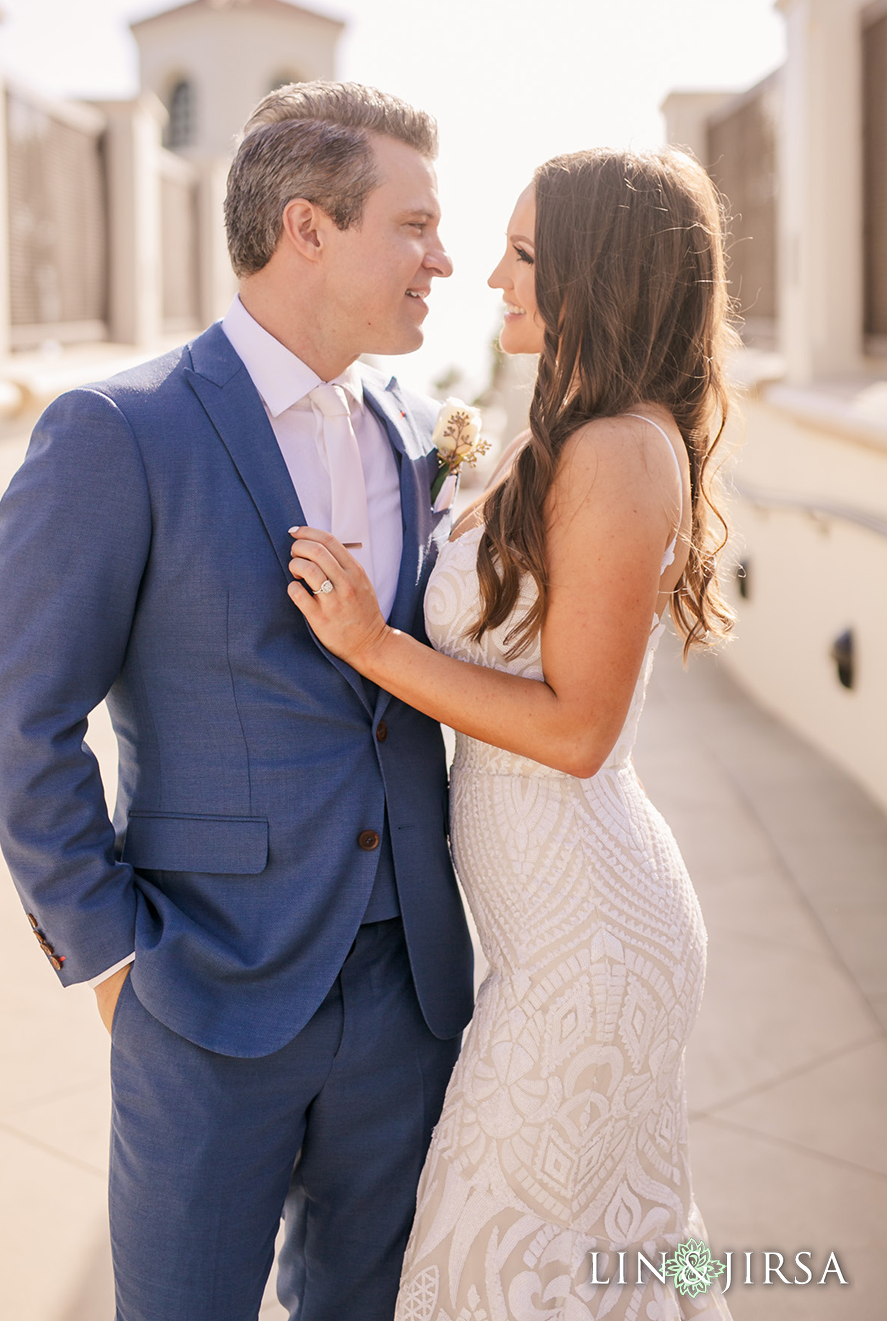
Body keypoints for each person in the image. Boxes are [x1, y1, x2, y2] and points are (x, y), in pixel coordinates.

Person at [0, 81, 476, 1320]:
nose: (442, 259)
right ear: (306, 228)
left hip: (407, 991)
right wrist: (110, 959)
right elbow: (20, 721)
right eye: (411, 225)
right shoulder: (116, 430)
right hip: (201, 993)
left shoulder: (415, 430)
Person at [288, 149, 734, 1320]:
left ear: (602, 275)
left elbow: (579, 729)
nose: (491, 274)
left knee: (478, 1269)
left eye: (525, 254)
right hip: (546, 947)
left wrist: (371, 647)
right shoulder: (562, 437)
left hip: (588, 953)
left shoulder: (620, 451)